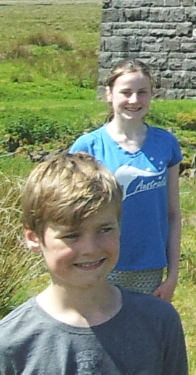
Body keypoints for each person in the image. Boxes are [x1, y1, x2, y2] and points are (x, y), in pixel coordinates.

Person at [0, 152, 195, 375]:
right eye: (71, 235)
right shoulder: (8, 344)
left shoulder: (158, 324)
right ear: (34, 238)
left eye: (104, 229)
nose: (90, 248)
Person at [71, 61, 183, 299]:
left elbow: (172, 214)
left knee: (143, 334)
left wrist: (172, 275)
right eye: (126, 92)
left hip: (149, 269)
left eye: (142, 92)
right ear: (109, 95)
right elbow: (71, 216)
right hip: (99, 264)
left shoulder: (167, 144)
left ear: (152, 95)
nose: (134, 100)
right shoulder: (87, 147)